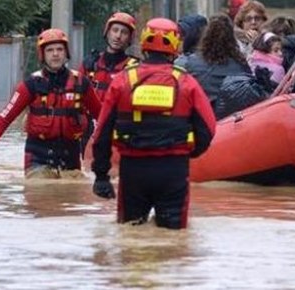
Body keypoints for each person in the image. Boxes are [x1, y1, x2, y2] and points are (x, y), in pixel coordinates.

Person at [90, 18, 216, 229]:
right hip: (173, 171)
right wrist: (189, 153)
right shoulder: (186, 82)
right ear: (175, 45)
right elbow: (208, 129)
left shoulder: (122, 81)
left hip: (133, 171)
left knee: (130, 236)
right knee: (173, 240)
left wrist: (101, 175)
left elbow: (101, 132)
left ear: (143, 43)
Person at [0, 28, 102, 178]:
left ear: (66, 53)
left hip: (70, 158)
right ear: (42, 55)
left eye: (60, 49)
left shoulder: (81, 83)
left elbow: (103, 116)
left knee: (74, 192)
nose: (55, 54)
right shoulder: (30, 85)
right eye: (50, 50)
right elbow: (4, 117)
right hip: (37, 158)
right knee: (40, 191)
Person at [79, 12, 140, 159]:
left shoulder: (135, 69)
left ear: (129, 38)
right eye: (115, 30)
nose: (118, 36)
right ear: (107, 32)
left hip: (118, 131)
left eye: (124, 32)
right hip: (89, 131)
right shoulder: (90, 64)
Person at [182, 14, 253, 111]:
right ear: (231, 38)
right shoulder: (240, 64)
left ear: (206, 35)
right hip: (230, 118)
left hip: (201, 116)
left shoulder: (192, 63)